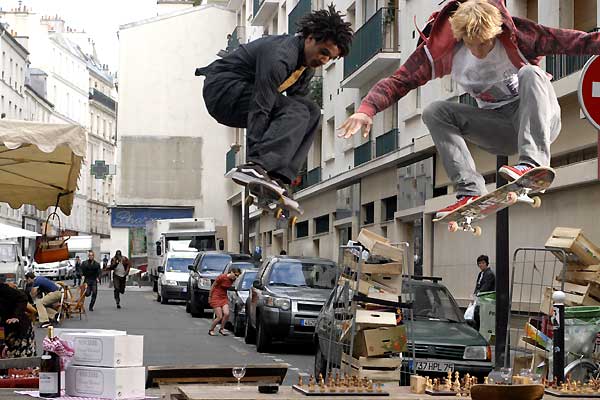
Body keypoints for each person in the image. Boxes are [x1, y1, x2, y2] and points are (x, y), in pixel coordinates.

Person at [338, 0, 600, 218]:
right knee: (434, 111)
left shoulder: (519, 36)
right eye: (472, 44)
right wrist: (366, 109)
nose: (479, 50)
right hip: (497, 128)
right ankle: (469, 189)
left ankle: (533, 164)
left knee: (531, 73)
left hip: (537, 119)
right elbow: (400, 80)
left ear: (496, 32)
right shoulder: (442, 54)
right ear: (460, 38)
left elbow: (574, 41)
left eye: (485, 43)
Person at [195, 6, 353, 195]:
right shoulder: (281, 57)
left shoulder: (305, 67)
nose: (324, 60)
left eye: (330, 58)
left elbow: (300, 112)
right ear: (310, 38)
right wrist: (254, 162)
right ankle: (256, 167)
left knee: (311, 112)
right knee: (297, 111)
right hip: (223, 90)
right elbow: (260, 106)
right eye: (323, 52)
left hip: (242, 96)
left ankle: (279, 177)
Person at [0, 282, 36, 358]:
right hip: (4, 332)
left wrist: (16, 316)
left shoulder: (3, 289)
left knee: (22, 362)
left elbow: (22, 297)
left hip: (19, 330)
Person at [208, 267, 241, 336]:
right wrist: (210, 296)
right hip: (216, 296)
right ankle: (211, 329)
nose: (236, 277)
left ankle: (222, 329)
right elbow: (213, 286)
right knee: (219, 316)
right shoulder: (222, 277)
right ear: (231, 272)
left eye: (237, 276)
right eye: (235, 274)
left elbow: (233, 287)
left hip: (223, 297)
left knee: (226, 313)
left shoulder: (233, 280)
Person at [473, 254, 495, 330]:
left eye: (483, 263)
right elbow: (477, 285)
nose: (481, 265)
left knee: (481, 318)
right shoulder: (481, 273)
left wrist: (477, 295)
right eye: (479, 263)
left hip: (486, 300)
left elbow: (485, 288)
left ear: (486, 263)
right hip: (480, 299)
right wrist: (474, 295)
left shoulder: (489, 274)